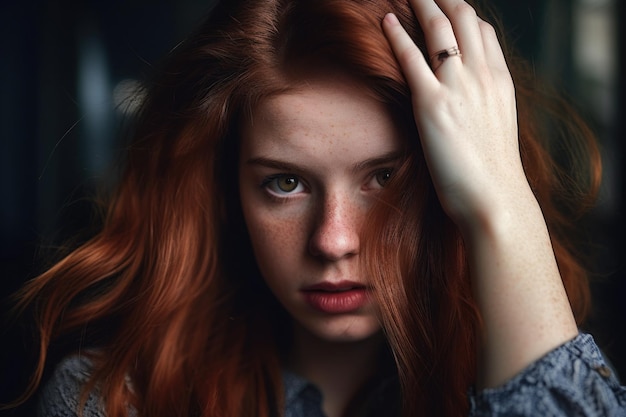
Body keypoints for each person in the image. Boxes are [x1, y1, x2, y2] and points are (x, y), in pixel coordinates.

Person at [7, 0, 626, 416]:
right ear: (229, 192)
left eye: (384, 179)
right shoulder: (114, 396)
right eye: (285, 184)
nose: (333, 241)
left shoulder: (507, 369)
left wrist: (502, 209)